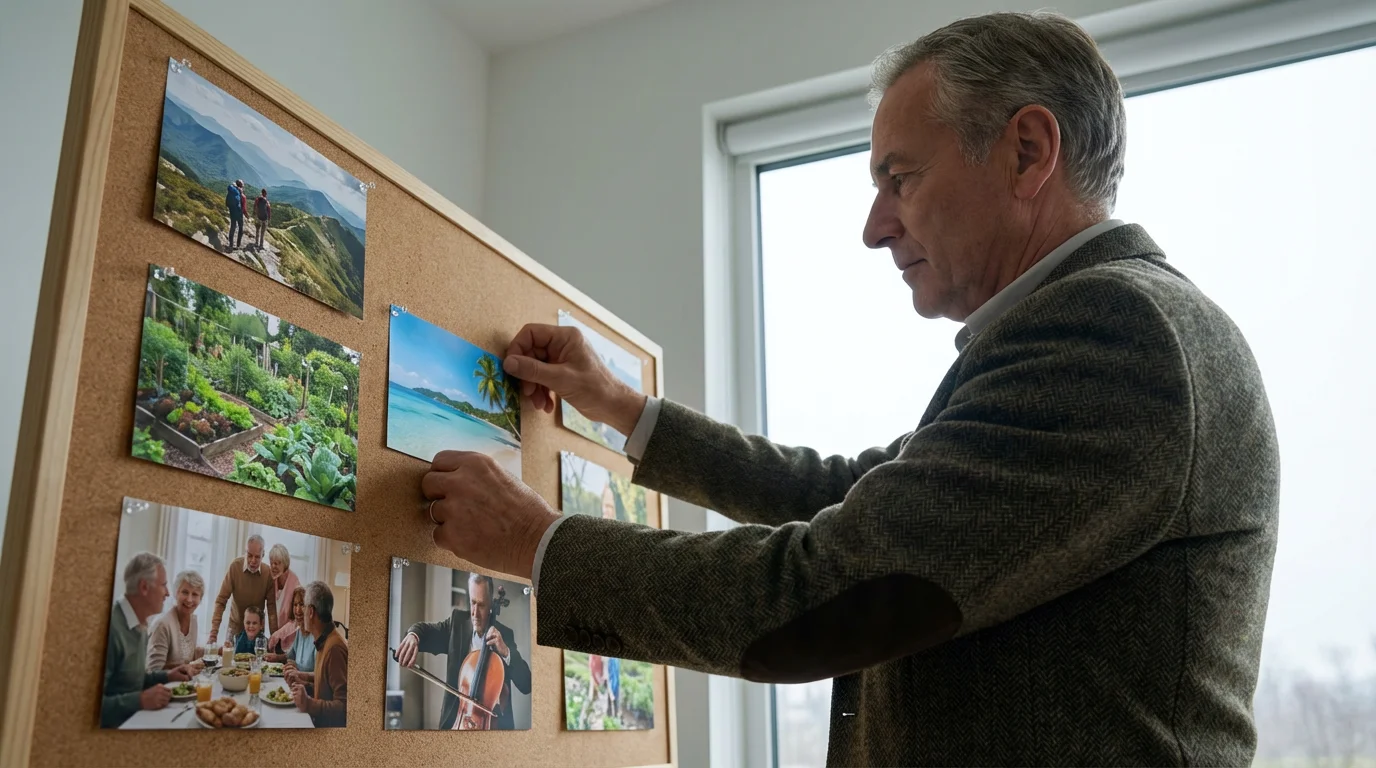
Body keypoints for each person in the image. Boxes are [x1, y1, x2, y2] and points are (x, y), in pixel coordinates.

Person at [418, 11, 1281, 766]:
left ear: (1027, 153)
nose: (875, 228)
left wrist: (537, 541)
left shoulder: (1116, 334)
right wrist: (621, 407)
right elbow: (848, 495)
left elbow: (830, 588)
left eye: (900, 179)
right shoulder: (1091, 331)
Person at [394, 572, 532, 730]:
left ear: (491, 605)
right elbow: (425, 630)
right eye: (473, 603)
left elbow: (526, 684)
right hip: (456, 722)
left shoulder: (505, 635)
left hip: (492, 728)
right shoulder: (457, 623)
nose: (475, 613)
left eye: (481, 605)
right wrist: (414, 635)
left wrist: (506, 652)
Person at [101, 553, 194, 728]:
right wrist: (140, 700)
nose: (167, 593)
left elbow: (133, 679)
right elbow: (92, 705)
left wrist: (168, 675)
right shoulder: (111, 627)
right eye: (164, 585)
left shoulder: (140, 624)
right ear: (144, 587)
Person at [289, 581, 347, 727]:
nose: (300, 611)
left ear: (311, 612)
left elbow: (344, 707)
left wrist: (308, 704)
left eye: (304, 606)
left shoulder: (334, 649)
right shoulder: (323, 640)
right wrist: (303, 681)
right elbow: (325, 688)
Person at [207, 534, 278, 646]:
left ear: (263, 555)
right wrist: (213, 634)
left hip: (256, 632)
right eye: (249, 555)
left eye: (257, 557)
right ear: (245, 552)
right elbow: (221, 601)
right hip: (235, 628)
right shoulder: (235, 567)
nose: (253, 561)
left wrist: (274, 638)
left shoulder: (267, 573)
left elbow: (271, 608)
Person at [146, 569, 206, 672]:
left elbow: (189, 656)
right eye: (185, 592)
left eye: (195, 594)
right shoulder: (162, 624)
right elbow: (154, 670)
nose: (189, 599)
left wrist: (216, 651)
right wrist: (183, 667)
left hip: (186, 680)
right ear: (176, 593)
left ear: (200, 599)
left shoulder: (193, 621)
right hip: (165, 682)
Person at [267, 586, 316, 674]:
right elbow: (291, 655)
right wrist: (276, 657)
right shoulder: (299, 631)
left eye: (302, 605)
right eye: (295, 605)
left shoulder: (316, 636)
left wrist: (298, 670)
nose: (298, 610)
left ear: (311, 610)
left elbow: (319, 674)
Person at [266, 543, 300, 650]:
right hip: (272, 639)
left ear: (285, 564)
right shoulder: (272, 579)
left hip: (289, 643)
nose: (273, 566)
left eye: (277, 563)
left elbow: (296, 620)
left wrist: (278, 634)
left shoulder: (295, 584)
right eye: (272, 563)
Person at [225, 179, 245, 251]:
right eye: (242, 185)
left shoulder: (232, 189)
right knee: (241, 228)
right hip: (238, 212)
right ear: (240, 186)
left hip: (232, 210)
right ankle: (238, 245)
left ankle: (230, 245)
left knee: (233, 227)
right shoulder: (241, 193)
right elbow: (243, 206)